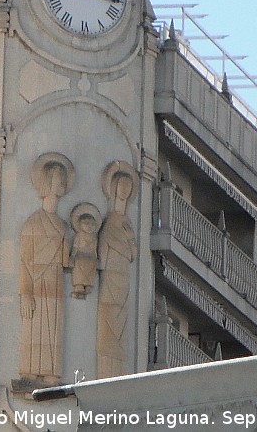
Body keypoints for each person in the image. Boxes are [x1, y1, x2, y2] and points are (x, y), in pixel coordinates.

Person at [18, 154, 74, 386]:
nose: (61, 184)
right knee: (34, 329)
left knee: (53, 330)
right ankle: (30, 373)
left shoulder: (62, 226)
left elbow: (65, 262)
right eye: (57, 179)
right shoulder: (32, 223)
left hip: (55, 283)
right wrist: (26, 293)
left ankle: (51, 373)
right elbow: (24, 260)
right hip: (36, 283)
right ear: (48, 182)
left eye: (63, 179)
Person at [97, 162, 138, 378]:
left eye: (127, 187)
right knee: (110, 318)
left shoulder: (127, 223)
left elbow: (134, 254)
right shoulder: (109, 222)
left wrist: (130, 239)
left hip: (124, 279)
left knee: (120, 322)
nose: (123, 190)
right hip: (111, 277)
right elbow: (102, 254)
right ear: (112, 189)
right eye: (120, 186)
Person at [69, 203, 102, 299]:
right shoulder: (79, 236)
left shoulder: (94, 237)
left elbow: (94, 249)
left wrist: (96, 258)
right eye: (86, 223)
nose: (89, 226)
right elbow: (75, 248)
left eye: (92, 224)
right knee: (79, 264)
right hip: (80, 255)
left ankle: (88, 286)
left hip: (91, 256)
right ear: (80, 224)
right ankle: (78, 286)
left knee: (92, 264)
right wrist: (72, 256)